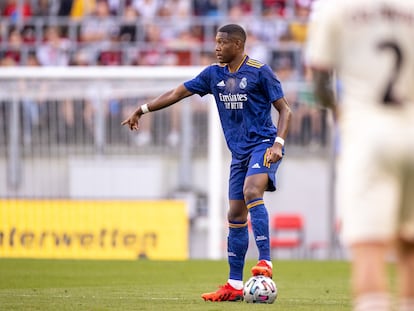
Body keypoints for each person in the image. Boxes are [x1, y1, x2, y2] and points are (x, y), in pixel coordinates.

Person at [122, 23, 292, 302]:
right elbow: (177, 93)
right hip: (239, 153)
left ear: (238, 45)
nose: (216, 47)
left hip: (264, 145)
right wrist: (143, 110)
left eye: (222, 43)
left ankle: (266, 263)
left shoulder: (260, 71)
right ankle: (234, 286)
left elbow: (285, 110)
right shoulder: (213, 75)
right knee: (235, 215)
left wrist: (278, 144)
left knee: (252, 193)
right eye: (215, 42)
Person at [305, 1, 414, 310]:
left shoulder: (336, 8)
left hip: (368, 135)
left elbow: (320, 81)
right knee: (410, 247)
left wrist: (340, 113)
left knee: (370, 246)